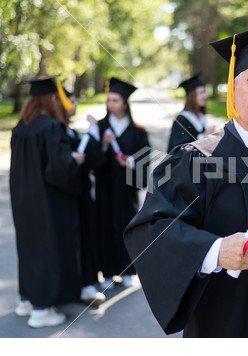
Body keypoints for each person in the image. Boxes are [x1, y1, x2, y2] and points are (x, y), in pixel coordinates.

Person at [124, 21, 248, 337]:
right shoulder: (196, 158)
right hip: (228, 325)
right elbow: (151, 229)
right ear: (233, 88)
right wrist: (213, 251)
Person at [10, 76, 84, 328]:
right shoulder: (50, 127)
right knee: (46, 251)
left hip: (23, 200)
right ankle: (41, 311)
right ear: (53, 98)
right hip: (46, 201)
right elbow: (60, 171)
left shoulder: (20, 127)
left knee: (28, 248)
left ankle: (26, 301)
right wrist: (75, 161)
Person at [96, 77, 150, 290]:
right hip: (106, 187)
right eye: (109, 100)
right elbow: (91, 160)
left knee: (127, 227)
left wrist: (131, 161)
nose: (111, 105)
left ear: (125, 103)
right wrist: (102, 144)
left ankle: (127, 271)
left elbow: (145, 161)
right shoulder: (101, 128)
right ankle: (108, 272)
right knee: (105, 225)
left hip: (127, 189)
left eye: (115, 100)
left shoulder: (138, 131)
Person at [64, 90, 106, 305]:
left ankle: (87, 281)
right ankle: (82, 284)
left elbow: (91, 162)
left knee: (86, 233)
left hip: (80, 193)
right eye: (71, 101)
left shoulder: (68, 131)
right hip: (70, 196)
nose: (75, 104)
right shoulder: (56, 131)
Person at [167, 74, 215, 152]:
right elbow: (177, 150)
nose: (205, 96)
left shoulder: (200, 115)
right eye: (201, 93)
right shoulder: (181, 120)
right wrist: (204, 136)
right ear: (192, 96)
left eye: (205, 92)